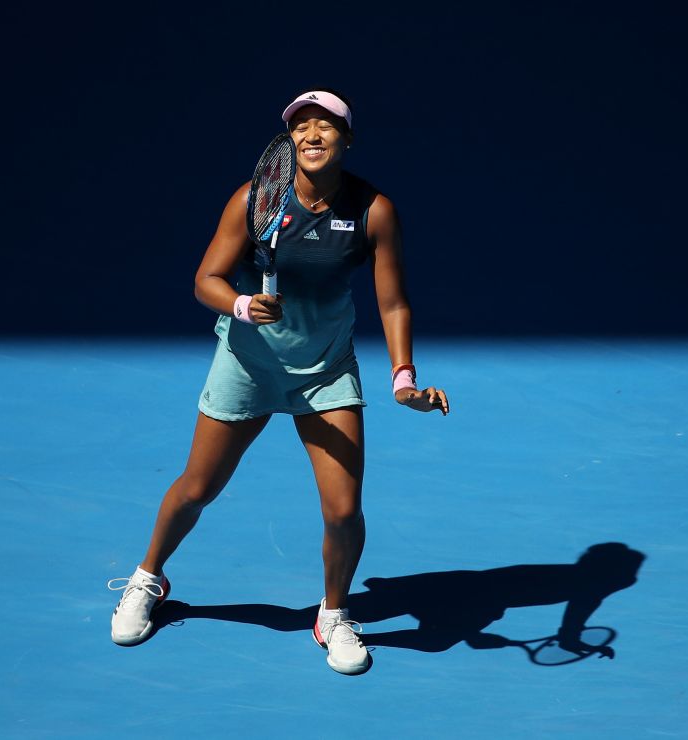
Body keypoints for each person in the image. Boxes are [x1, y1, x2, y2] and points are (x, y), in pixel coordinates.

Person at [107, 88, 449, 675]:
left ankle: (334, 614)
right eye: (301, 127)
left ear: (347, 140)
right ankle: (147, 578)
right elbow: (206, 278)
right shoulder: (255, 199)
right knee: (198, 487)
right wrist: (240, 304)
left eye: (327, 126)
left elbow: (393, 303)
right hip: (247, 365)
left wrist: (403, 377)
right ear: (290, 140)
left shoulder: (375, 210)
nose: (313, 135)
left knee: (344, 510)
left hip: (326, 372)